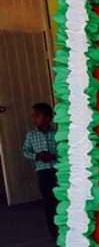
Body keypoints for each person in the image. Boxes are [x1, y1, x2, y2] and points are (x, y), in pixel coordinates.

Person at [22, 102, 58, 239]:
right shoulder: (31, 135)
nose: (34, 119)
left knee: (59, 200)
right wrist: (37, 156)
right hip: (43, 172)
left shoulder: (56, 134)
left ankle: (65, 229)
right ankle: (53, 233)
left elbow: (64, 151)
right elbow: (25, 151)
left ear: (48, 118)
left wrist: (53, 156)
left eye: (37, 116)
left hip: (57, 170)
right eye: (33, 116)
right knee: (48, 202)